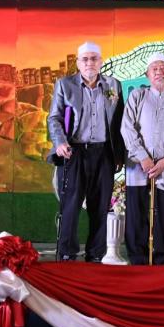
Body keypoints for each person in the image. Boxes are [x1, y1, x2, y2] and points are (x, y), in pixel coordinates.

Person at [47, 41, 125, 262]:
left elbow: (119, 122)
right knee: (70, 206)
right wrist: (60, 142)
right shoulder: (65, 85)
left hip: (104, 153)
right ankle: (67, 254)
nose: (89, 63)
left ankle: (95, 255)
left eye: (94, 59)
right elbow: (54, 118)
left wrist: (119, 155)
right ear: (78, 63)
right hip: (74, 152)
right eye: (85, 59)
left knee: (100, 207)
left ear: (101, 62)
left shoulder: (113, 85)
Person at [120, 53, 164, 265]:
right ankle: (138, 260)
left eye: (163, 68)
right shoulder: (137, 96)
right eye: (154, 68)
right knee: (136, 214)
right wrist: (143, 157)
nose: (159, 72)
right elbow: (127, 128)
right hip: (138, 165)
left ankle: (162, 260)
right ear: (147, 74)